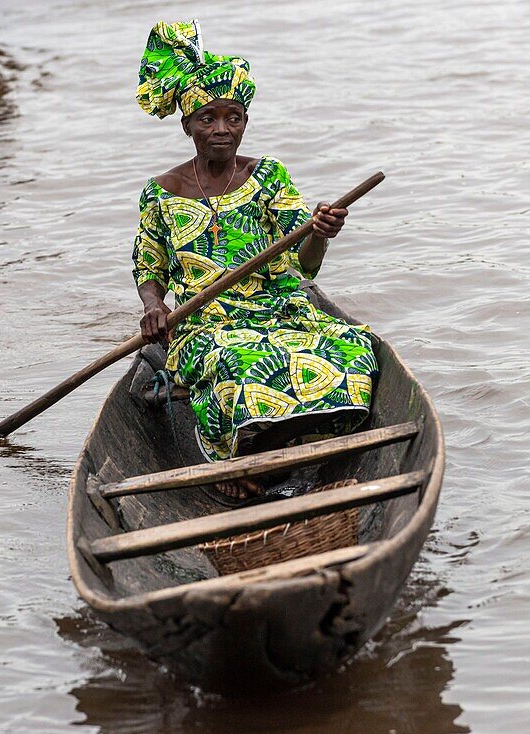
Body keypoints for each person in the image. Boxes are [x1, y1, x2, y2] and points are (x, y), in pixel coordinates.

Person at [132, 20, 378, 501]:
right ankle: (246, 459)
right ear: (187, 126)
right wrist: (153, 307)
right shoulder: (159, 192)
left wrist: (320, 235)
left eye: (234, 118)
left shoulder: (268, 176)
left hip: (281, 307)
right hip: (207, 321)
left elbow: (304, 265)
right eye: (207, 119)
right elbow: (149, 269)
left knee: (353, 351)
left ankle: (265, 455)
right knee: (239, 365)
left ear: (245, 121)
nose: (222, 130)